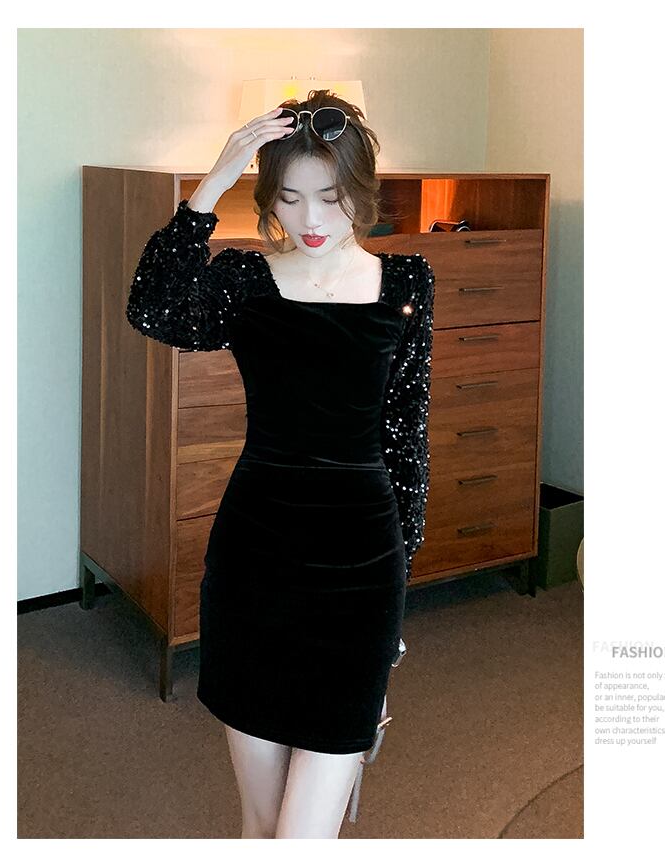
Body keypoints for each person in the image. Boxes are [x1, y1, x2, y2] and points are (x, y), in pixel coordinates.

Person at [126, 89, 435, 839]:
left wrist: (397, 589)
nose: (311, 219)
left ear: (361, 190)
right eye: (290, 199)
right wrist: (215, 179)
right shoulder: (245, 282)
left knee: (301, 836)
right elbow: (152, 306)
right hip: (255, 564)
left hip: (362, 572)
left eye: (330, 197)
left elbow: (406, 434)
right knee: (261, 825)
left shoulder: (407, 282)